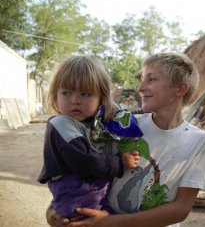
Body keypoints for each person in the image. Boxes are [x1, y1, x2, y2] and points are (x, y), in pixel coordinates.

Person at [47, 52, 205, 227]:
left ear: (180, 89)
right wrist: (54, 210)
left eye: (151, 79)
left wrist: (111, 222)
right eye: (141, 79)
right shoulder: (122, 125)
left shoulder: (199, 141)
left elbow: (180, 209)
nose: (141, 87)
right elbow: (84, 171)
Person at [38, 55, 142, 220]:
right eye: (66, 92)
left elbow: (123, 114)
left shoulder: (92, 123)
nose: (75, 100)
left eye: (86, 94)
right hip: (77, 194)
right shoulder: (61, 124)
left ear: (101, 97)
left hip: (92, 192)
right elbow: (86, 162)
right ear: (55, 94)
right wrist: (121, 162)